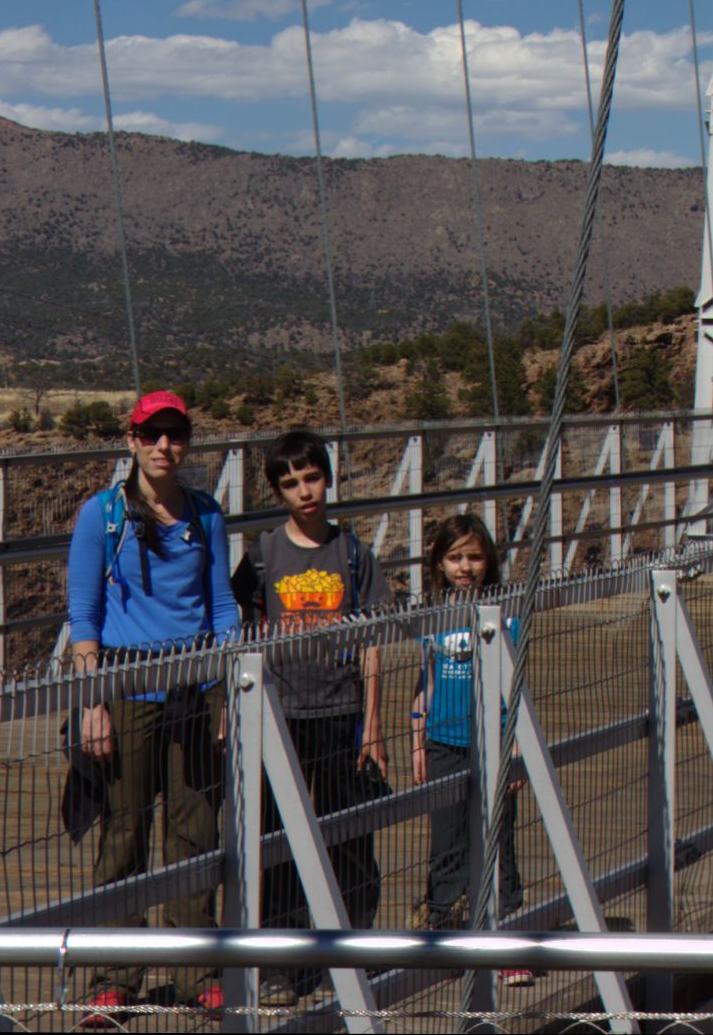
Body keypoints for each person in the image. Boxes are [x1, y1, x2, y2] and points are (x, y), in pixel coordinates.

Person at [65, 391, 236, 1026]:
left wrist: (228, 686)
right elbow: (84, 615)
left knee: (194, 833)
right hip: (126, 687)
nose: (165, 446)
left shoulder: (206, 515)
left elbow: (220, 606)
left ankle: (198, 976)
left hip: (195, 688)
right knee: (124, 830)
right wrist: (92, 704)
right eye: (152, 434)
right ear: (132, 440)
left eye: (177, 434)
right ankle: (114, 981)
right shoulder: (101, 516)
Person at [230, 429, 389, 1008]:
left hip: (341, 709)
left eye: (312, 477)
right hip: (281, 713)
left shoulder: (353, 554)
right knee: (277, 839)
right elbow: (240, 635)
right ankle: (282, 962)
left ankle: (350, 948)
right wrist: (234, 708)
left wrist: (373, 719)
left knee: (349, 832)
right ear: (277, 491)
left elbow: (372, 639)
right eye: (291, 482)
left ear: (328, 477)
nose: (305, 491)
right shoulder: (263, 554)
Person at [411, 515, 534, 987]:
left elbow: (515, 685)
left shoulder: (507, 613)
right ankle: (442, 932)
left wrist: (516, 744)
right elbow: (426, 680)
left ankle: (502, 939)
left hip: (493, 743)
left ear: (490, 562)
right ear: (439, 563)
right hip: (444, 741)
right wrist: (417, 736)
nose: (465, 567)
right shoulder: (433, 614)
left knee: (499, 839)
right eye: (455, 557)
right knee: (446, 843)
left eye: (475, 557)